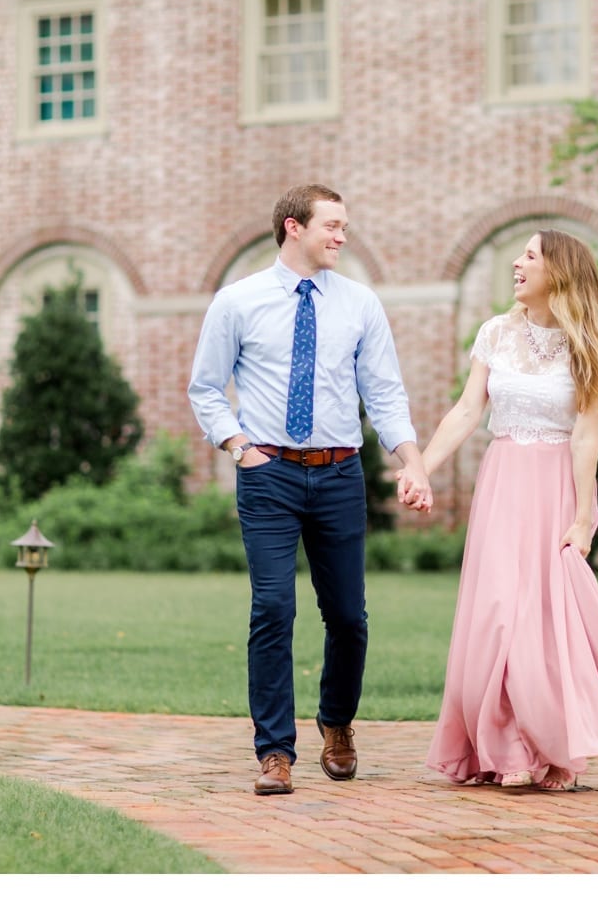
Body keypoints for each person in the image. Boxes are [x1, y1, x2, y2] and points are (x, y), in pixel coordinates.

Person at [188, 183, 433, 796]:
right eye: (332, 225)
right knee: (273, 608)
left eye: (345, 226)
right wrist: (238, 448)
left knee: (348, 615)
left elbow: (384, 393)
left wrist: (412, 461)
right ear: (293, 227)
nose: (342, 237)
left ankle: (337, 721)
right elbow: (206, 388)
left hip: (340, 474)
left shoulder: (360, 304)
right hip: (267, 473)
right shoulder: (237, 301)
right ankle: (274, 751)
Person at [418, 229, 598, 790]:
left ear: (559, 271)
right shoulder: (495, 334)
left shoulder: (589, 345)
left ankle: (555, 750)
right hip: (503, 484)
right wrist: (421, 468)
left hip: (554, 488)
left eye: (529, 256)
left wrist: (583, 519)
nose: (516, 263)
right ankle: (493, 748)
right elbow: (465, 411)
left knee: (544, 622)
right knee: (496, 616)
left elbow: (586, 437)